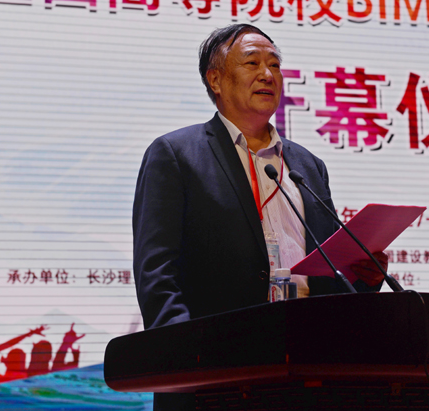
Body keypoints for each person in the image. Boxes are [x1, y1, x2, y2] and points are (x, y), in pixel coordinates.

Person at [133, 24, 388, 411]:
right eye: (252, 63)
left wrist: (362, 277)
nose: (268, 74)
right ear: (215, 80)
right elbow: (157, 273)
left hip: (308, 371)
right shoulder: (177, 155)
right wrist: (185, 361)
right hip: (218, 373)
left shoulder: (308, 166)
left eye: (275, 64)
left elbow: (327, 277)